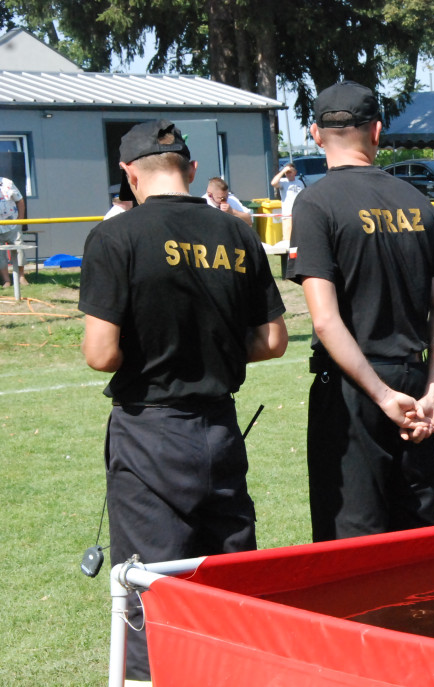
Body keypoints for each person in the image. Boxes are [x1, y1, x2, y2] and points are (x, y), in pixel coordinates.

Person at [79, 119, 288, 681]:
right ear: (192, 170)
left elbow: (100, 352)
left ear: (127, 175)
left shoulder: (115, 236)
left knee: (150, 586)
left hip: (150, 429)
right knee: (226, 576)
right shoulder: (239, 232)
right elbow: (272, 340)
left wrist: (154, 348)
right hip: (219, 427)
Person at [286, 81, 434, 541]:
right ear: (377, 132)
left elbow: (325, 320)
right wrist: (431, 396)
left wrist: (383, 397)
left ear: (315, 134)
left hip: (354, 390)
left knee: (352, 541)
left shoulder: (315, 203)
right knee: (417, 535)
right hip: (413, 384)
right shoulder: (416, 201)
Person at [0, 176, 28, 287]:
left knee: (18, 249)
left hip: (12, 223)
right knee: (0, 254)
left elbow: (20, 200)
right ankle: (6, 280)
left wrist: (20, 219)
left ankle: (21, 277)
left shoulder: (8, 183)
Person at [271, 162, 306, 242]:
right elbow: (273, 183)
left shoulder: (299, 182)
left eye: (290, 172)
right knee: (288, 239)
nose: (288, 174)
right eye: (287, 173)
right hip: (288, 215)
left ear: (295, 172)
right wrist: (283, 171)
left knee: (300, 237)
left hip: (299, 214)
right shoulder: (283, 182)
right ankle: (287, 254)